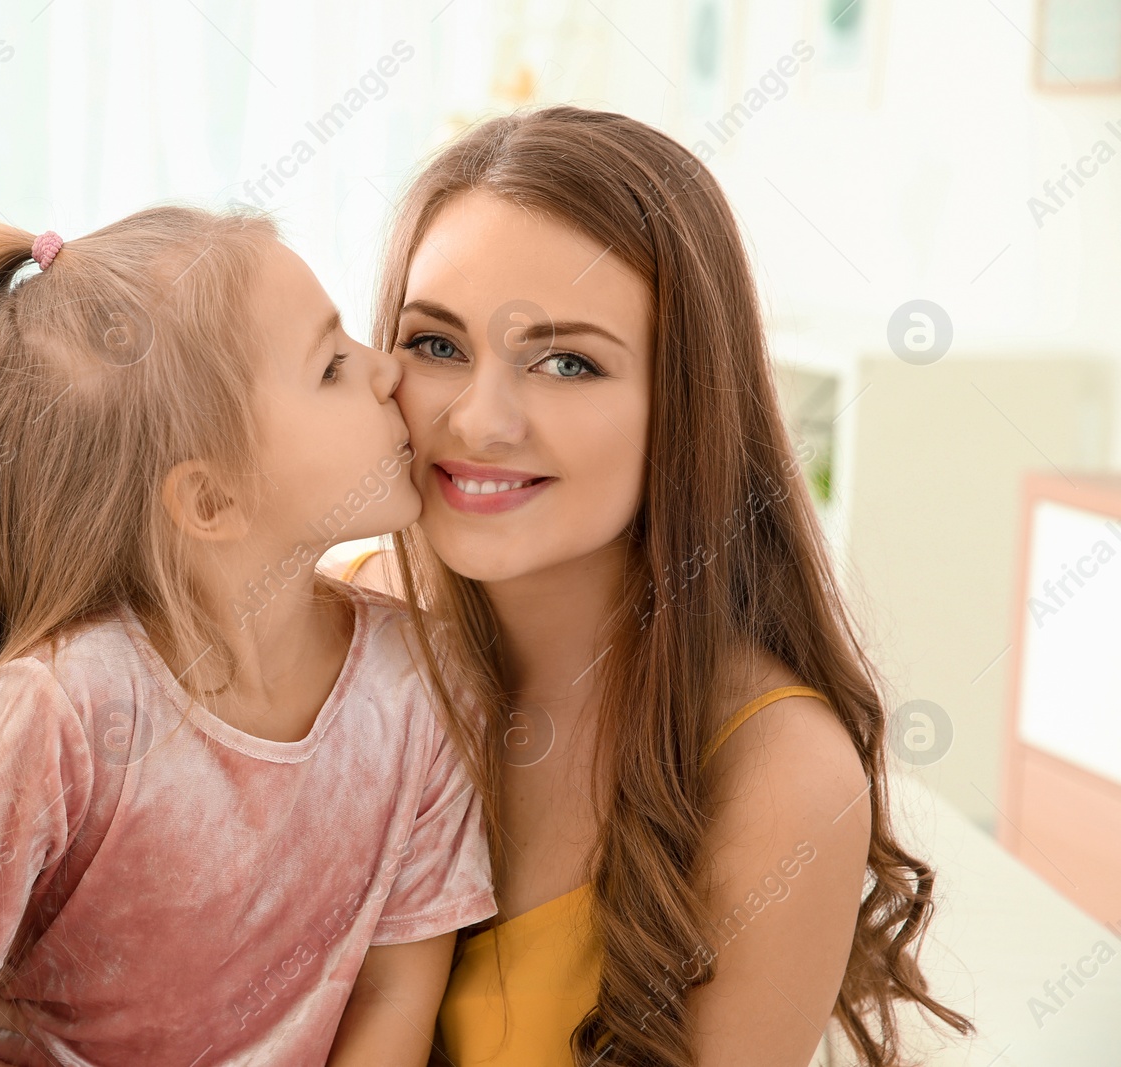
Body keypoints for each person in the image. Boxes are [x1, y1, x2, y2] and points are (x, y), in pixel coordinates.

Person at [368, 107, 973, 1065]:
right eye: (437, 345)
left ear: (684, 403)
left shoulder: (778, 776)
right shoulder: (342, 622)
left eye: (567, 362)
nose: (478, 420)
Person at [0, 207, 495, 1067]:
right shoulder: (58, 710)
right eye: (332, 365)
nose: (386, 370)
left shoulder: (427, 681)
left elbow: (396, 991)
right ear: (210, 501)